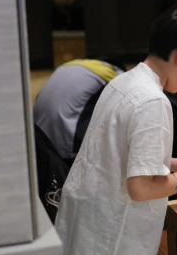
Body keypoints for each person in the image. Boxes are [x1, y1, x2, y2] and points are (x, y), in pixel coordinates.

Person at [54, 2, 177, 255]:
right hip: (112, 232)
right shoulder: (152, 101)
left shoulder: (125, 80)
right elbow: (140, 188)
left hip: (89, 213)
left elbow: (116, 151)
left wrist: (175, 163)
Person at [33, 57, 127, 222]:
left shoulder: (71, 65)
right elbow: (126, 104)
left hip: (40, 134)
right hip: (66, 139)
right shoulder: (114, 73)